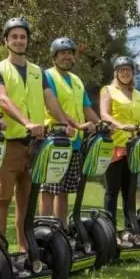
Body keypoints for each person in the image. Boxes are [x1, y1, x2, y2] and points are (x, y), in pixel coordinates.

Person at [0, 17, 47, 255]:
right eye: (15, 37)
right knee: (2, 199)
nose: (19, 41)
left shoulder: (37, 72)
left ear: (28, 41)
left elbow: (49, 98)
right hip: (9, 144)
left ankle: (25, 249)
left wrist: (70, 123)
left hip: (35, 145)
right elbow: (2, 99)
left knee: (27, 201)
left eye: (23, 37)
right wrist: (26, 122)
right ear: (6, 41)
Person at [40, 37, 101, 220]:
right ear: (54, 56)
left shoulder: (76, 80)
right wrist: (76, 124)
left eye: (69, 53)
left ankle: (61, 230)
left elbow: (86, 108)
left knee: (64, 190)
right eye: (63, 53)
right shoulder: (48, 76)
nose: (67, 57)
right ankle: (45, 230)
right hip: (55, 138)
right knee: (49, 188)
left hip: (74, 142)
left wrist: (101, 125)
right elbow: (53, 105)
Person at [98, 56, 140, 244]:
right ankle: (109, 231)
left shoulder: (138, 95)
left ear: (133, 73)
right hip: (115, 147)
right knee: (112, 191)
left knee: (130, 192)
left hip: (134, 150)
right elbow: (105, 114)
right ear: (116, 72)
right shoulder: (108, 90)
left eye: (128, 70)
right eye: (121, 69)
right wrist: (121, 125)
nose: (125, 72)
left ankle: (130, 230)